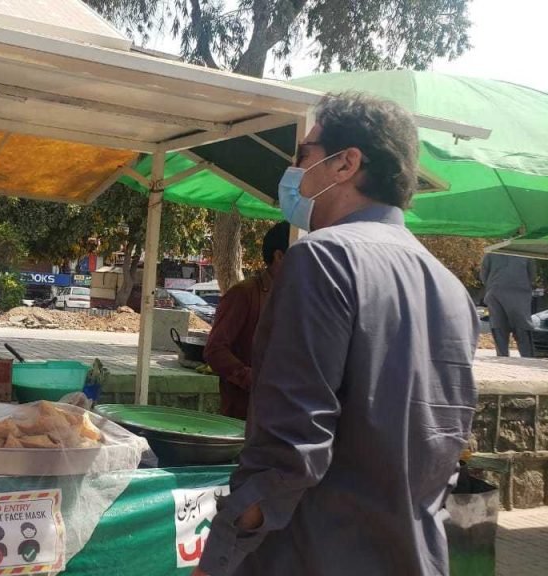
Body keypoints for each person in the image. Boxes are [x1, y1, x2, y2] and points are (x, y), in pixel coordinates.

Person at [196, 94, 479, 576]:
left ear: (346, 163)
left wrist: (220, 554)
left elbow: (289, 451)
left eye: (303, 155)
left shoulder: (321, 259)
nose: (294, 172)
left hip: (315, 554)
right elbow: (448, 446)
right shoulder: (451, 288)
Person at [204, 221, 290, 420]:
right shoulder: (244, 294)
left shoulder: (295, 296)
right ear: (279, 256)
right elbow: (215, 350)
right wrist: (250, 378)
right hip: (245, 413)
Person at [481, 252, 537, 357]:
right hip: (520, 294)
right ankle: (527, 357)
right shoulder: (526, 254)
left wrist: (493, 285)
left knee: (499, 326)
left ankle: (502, 357)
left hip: (495, 292)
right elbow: (532, 276)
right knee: (522, 326)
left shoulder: (491, 253)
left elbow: (484, 275)